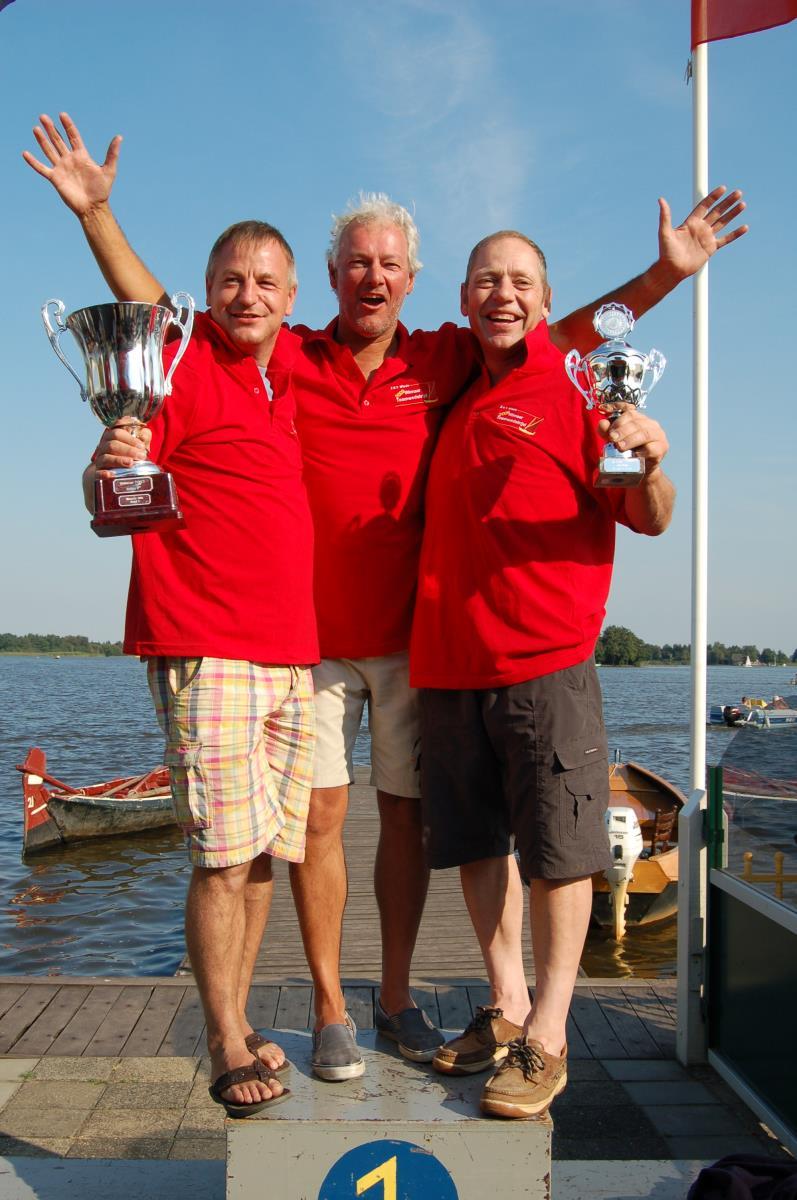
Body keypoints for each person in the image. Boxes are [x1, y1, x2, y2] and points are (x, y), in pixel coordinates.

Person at [24, 111, 746, 1082]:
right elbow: (158, 317)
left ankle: (396, 998)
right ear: (329, 278)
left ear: (412, 279)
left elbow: (564, 335)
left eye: (390, 264)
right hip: (306, 642)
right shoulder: (284, 355)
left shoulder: (445, 357)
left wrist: (666, 272)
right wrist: (96, 216)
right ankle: (330, 1005)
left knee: (403, 818)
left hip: (416, 640)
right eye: (356, 262)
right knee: (317, 823)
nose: (372, 276)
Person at [410, 230, 676, 1117]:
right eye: (486, 280)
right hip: (447, 666)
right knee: (476, 845)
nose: (503, 295)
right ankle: (507, 1005)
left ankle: (550, 1035)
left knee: (559, 856)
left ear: (547, 300)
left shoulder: (577, 386)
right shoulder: (453, 388)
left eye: (521, 281)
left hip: (544, 667)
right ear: (462, 298)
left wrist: (649, 462)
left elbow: (651, 517)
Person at [76, 218, 316, 1118]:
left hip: (292, 652)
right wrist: (109, 465)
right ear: (205, 291)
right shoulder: (175, 366)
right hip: (206, 643)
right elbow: (105, 500)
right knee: (220, 859)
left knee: (257, 859)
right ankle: (222, 1039)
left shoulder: (290, 372)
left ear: (291, 297)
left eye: (265, 281)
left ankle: (239, 1015)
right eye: (230, 280)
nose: (247, 295)